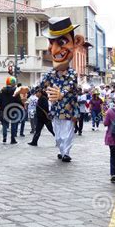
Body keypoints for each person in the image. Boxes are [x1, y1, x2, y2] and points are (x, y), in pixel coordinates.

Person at [39, 17, 84, 162]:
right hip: (56, 111)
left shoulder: (71, 73)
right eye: (51, 43)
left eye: (61, 42)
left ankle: (66, 153)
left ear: (76, 42)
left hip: (69, 110)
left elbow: (70, 85)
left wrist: (61, 93)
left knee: (67, 132)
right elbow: (40, 85)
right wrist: (25, 90)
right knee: (58, 134)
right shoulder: (51, 73)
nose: (54, 49)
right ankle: (61, 149)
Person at [0, 76, 22, 144]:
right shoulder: (15, 90)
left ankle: (4, 137)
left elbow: (0, 100)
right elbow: (18, 100)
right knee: (13, 124)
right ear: (13, 82)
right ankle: (12, 139)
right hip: (13, 109)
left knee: (5, 124)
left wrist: (1, 107)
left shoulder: (2, 90)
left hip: (4, 109)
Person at [103, 97, 115, 182]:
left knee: (113, 155)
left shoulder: (110, 111)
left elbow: (106, 123)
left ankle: (113, 173)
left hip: (112, 137)